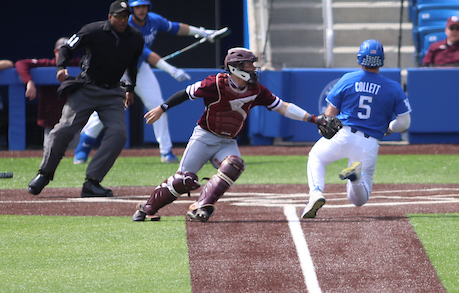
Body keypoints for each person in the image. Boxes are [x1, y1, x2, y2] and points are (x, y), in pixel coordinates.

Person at [132, 48, 339, 222]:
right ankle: (146, 208)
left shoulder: (256, 89)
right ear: (235, 68)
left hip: (227, 141)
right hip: (204, 136)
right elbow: (186, 94)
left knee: (234, 164)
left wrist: (314, 119)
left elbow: (283, 107)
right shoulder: (215, 84)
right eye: (249, 65)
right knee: (184, 181)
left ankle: (201, 206)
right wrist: (161, 108)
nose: (253, 69)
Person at [74, 0, 212, 165]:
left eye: (143, 6)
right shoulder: (127, 26)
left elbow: (175, 27)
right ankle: (84, 147)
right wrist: (170, 69)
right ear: (132, 9)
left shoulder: (153, 20)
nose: (141, 10)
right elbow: (145, 53)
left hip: (141, 70)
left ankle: (166, 151)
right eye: (137, 7)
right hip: (120, 71)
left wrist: (202, 32)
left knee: (159, 106)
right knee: (111, 109)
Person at [27, 0, 145, 199]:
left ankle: (92, 182)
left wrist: (130, 89)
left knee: (118, 134)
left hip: (113, 92)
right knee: (63, 130)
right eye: (119, 17)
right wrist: (60, 67)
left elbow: (132, 65)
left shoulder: (135, 37)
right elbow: (66, 48)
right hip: (87, 87)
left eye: (126, 17)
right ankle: (44, 174)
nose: (123, 20)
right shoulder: (93, 30)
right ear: (110, 17)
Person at [301, 40, 413, 220]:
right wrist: (390, 129)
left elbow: (330, 114)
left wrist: (324, 129)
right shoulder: (393, 87)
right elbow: (404, 123)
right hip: (369, 142)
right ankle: (356, 178)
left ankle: (315, 192)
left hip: (343, 134)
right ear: (381, 60)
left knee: (316, 157)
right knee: (358, 200)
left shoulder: (348, 78)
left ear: (360, 58)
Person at [14, 38, 81, 142]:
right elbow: (20, 64)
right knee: (50, 153)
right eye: (61, 52)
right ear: (55, 52)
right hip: (52, 122)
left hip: (74, 122)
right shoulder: (48, 64)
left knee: (75, 154)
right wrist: (29, 82)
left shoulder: (78, 64)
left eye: (68, 52)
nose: (65, 55)